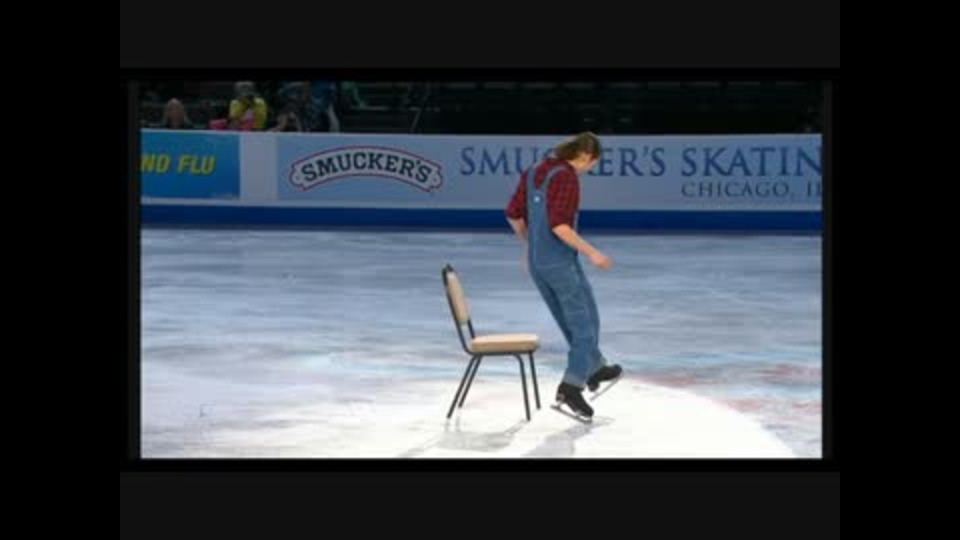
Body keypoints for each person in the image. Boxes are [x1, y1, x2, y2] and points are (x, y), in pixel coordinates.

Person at [504, 132, 623, 421]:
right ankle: (571, 387)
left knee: (584, 317)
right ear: (585, 156)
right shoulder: (567, 177)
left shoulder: (535, 170)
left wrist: (532, 246)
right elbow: (559, 226)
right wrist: (593, 253)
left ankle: (595, 366)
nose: (589, 169)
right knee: (584, 326)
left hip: (540, 263)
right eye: (592, 164)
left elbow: (513, 214)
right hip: (559, 262)